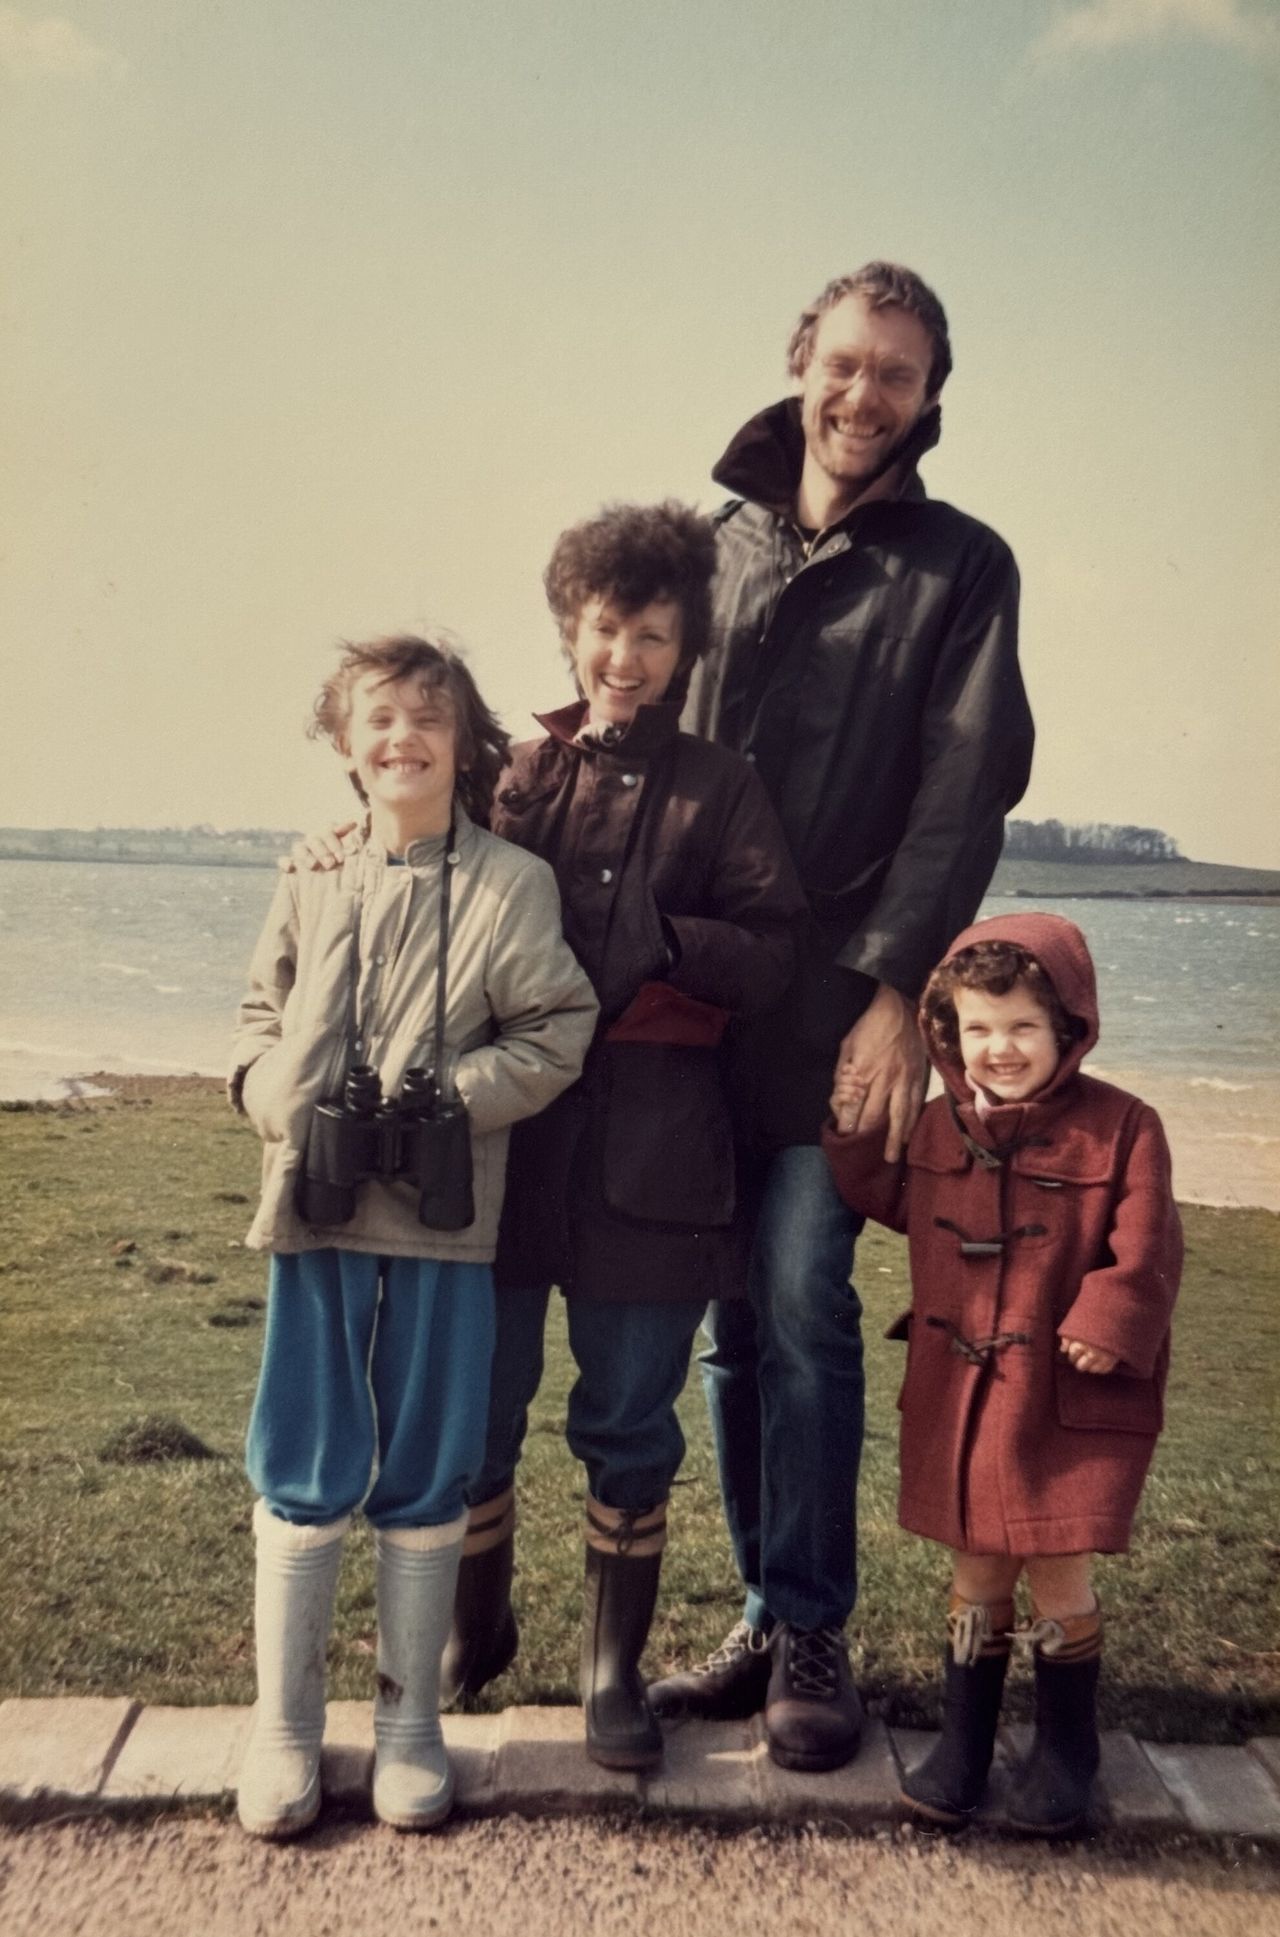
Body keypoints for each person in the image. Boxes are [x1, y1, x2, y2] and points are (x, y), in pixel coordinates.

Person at [649, 262, 1035, 1772]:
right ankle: (755, 1620)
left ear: (931, 400)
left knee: (805, 1294)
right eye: (848, 361)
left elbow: (965, 785)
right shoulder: (700, 548)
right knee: (730, 1328)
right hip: (689, 1001)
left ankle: (814, 1632)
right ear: (799, 356)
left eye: (900, 375)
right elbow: (620, 731)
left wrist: (895, 997)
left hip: (840, 1010)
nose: (864, 395)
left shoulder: (963, 565)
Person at [442, 502, 806, 1771]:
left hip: (657, 1156)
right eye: (608, 629)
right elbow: (430, 882)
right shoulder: (515, 773)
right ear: (569, 630)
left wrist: (672, 944)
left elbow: (773, 954)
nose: (628, 658)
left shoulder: (725, 786)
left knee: (629, 1419)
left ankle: (610, 1676)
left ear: (685, 644)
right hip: (507, 1148)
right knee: (476, 1404)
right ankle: (474, 1629)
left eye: (655, 635)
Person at [229, 635, 596, 1839]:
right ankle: (283, 1725)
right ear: (344, 744)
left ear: (465, 739)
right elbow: (256, 1019)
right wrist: (275, 1094)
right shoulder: (310, 871)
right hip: (317, 1209)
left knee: (427, 1459)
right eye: (378, 720)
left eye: (428, 717)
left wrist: (453, 1096)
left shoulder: (511, 881)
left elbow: (556, 1028)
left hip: (447, 1216)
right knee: (305, 1453)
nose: (403, 739)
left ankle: (407, 1722)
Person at [824, 912, 1182, 1832]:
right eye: (977, 1030)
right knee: (978, 1565)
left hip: (1070, 1394)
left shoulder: (1124, 1127)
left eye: (1022, 1026)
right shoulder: (944, 1127)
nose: (1001, 1048)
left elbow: (1148, 1248)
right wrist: (855, 1126)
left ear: (1068, 1024)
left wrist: (1112, 1315)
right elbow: (888, 1194)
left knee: (1058, 1569)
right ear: (946, 1036)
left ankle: (1067, 1753)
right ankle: (965, 1743)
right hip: (966, 1394)